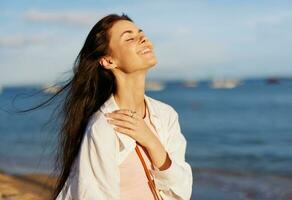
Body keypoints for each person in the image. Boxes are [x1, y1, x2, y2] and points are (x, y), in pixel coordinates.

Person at [52, 13, 193, 200]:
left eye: (141, 33)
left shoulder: (165, 115)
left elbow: (182, 190)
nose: (143, 38)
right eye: (130, 38)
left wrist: (152, 142)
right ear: (109, 61)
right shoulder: (103, 126)